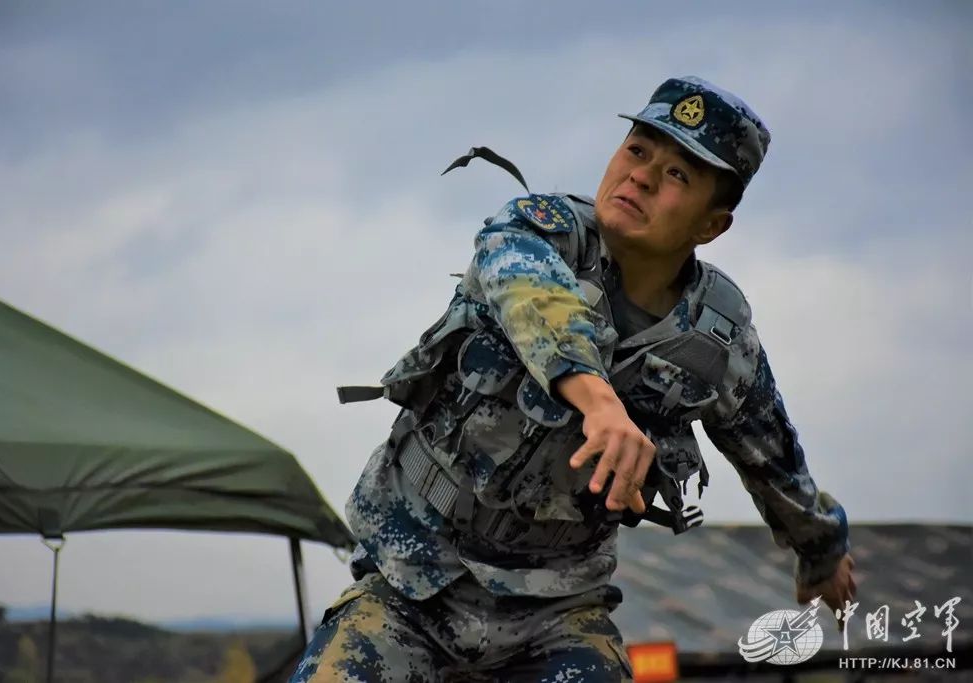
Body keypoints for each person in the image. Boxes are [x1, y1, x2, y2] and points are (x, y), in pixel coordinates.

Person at [291, 76, 856, 682]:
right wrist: (601, 403)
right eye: (638, 151)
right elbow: (536, 302)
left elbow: (774, 459)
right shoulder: (538, 233)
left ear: (712, 225)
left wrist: (822, 552)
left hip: (556, 615)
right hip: (410, 582)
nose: (640, 176)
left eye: (677, 176)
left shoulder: (715, 342)